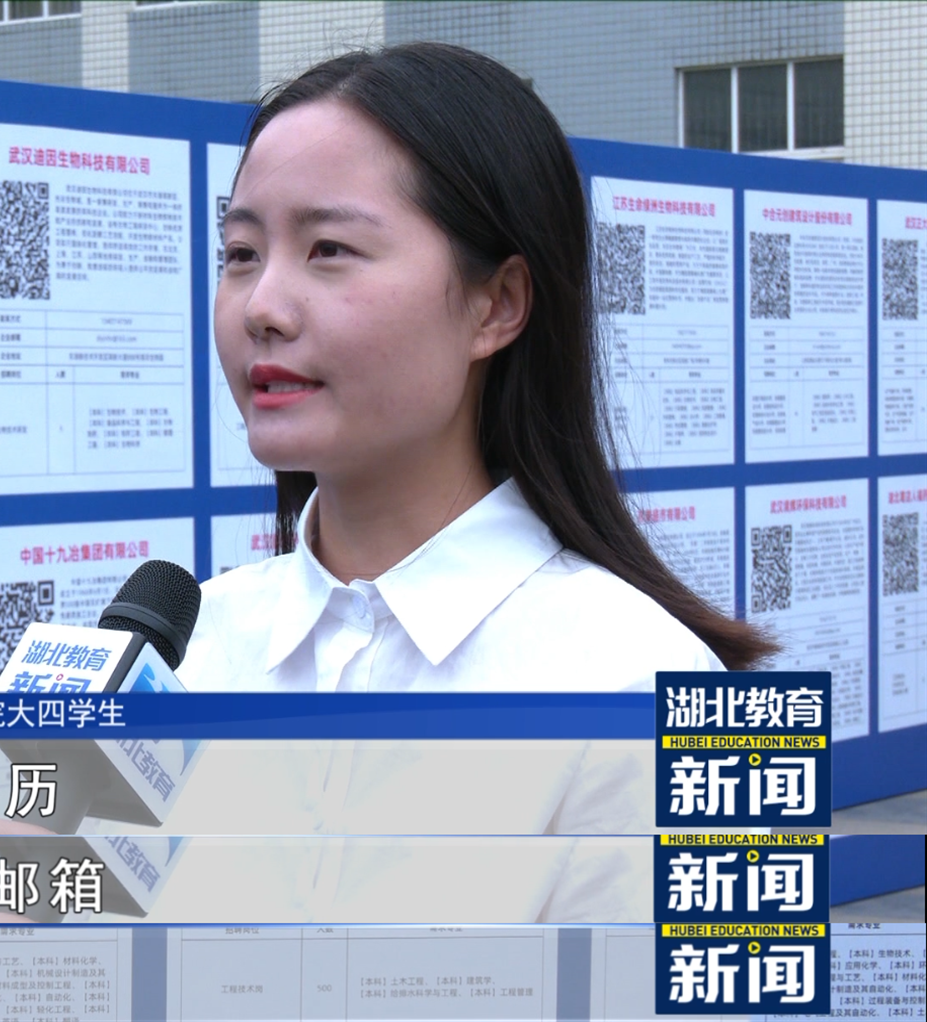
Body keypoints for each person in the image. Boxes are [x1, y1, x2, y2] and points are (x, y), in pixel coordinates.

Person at [135, 41, 779, 925]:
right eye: (240, 252)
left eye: (328, 249)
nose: (261, 307)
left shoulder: (652, 686)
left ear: (496, 304)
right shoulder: (187, 654)